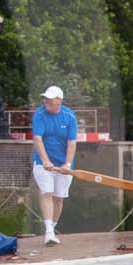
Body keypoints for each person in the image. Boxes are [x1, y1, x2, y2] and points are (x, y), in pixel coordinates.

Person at [30, 85, 80, 246]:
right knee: (47, 192)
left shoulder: (69, 116)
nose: (46, 103)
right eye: (46, 100)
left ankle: (53, 228)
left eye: (50, 101)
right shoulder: (39, 114)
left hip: (63, 163)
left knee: (59, 197)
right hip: (42, 162)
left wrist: (67, 163)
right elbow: (37, 139)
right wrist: (45, 160)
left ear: (59, 101)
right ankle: (49, 231)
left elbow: (71, 143)